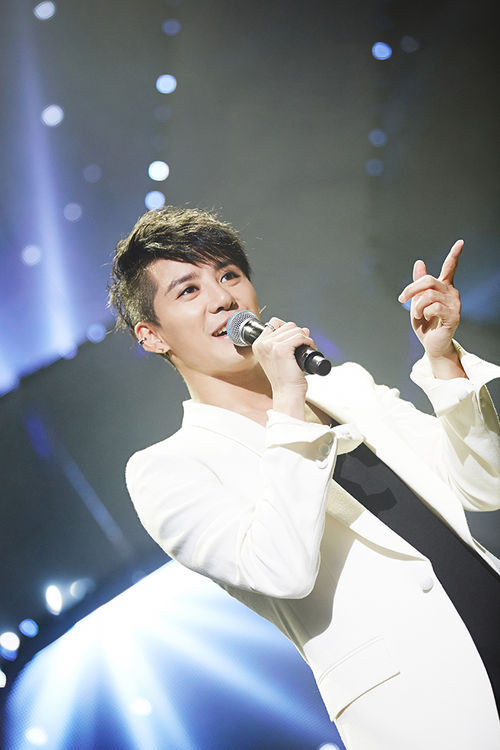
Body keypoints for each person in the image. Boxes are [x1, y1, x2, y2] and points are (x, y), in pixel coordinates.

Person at [108, 206, 500, 750]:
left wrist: (443, 360)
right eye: (189, 290)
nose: (222, 298)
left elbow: (485, 485)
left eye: (229, 275)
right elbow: (280, 568)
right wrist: (287, 400)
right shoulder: (167, 468)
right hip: (428, 708)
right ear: (152, 336)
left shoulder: (347, 387)